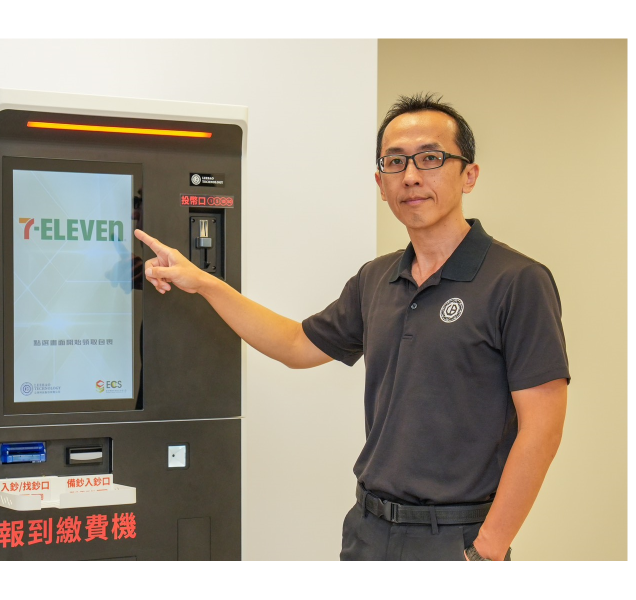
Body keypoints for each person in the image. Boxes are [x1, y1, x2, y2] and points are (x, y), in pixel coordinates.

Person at [134, 93, 569, 561]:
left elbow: (542, 430)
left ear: (469, 175)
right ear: (381, 184)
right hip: (368, 532)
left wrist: (486, 552)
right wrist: (203, 282)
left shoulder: (517, 281)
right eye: (395, 162)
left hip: (455, 538)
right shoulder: (376, 279)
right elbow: (296, 344)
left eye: (430, 158)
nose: (411, 176)